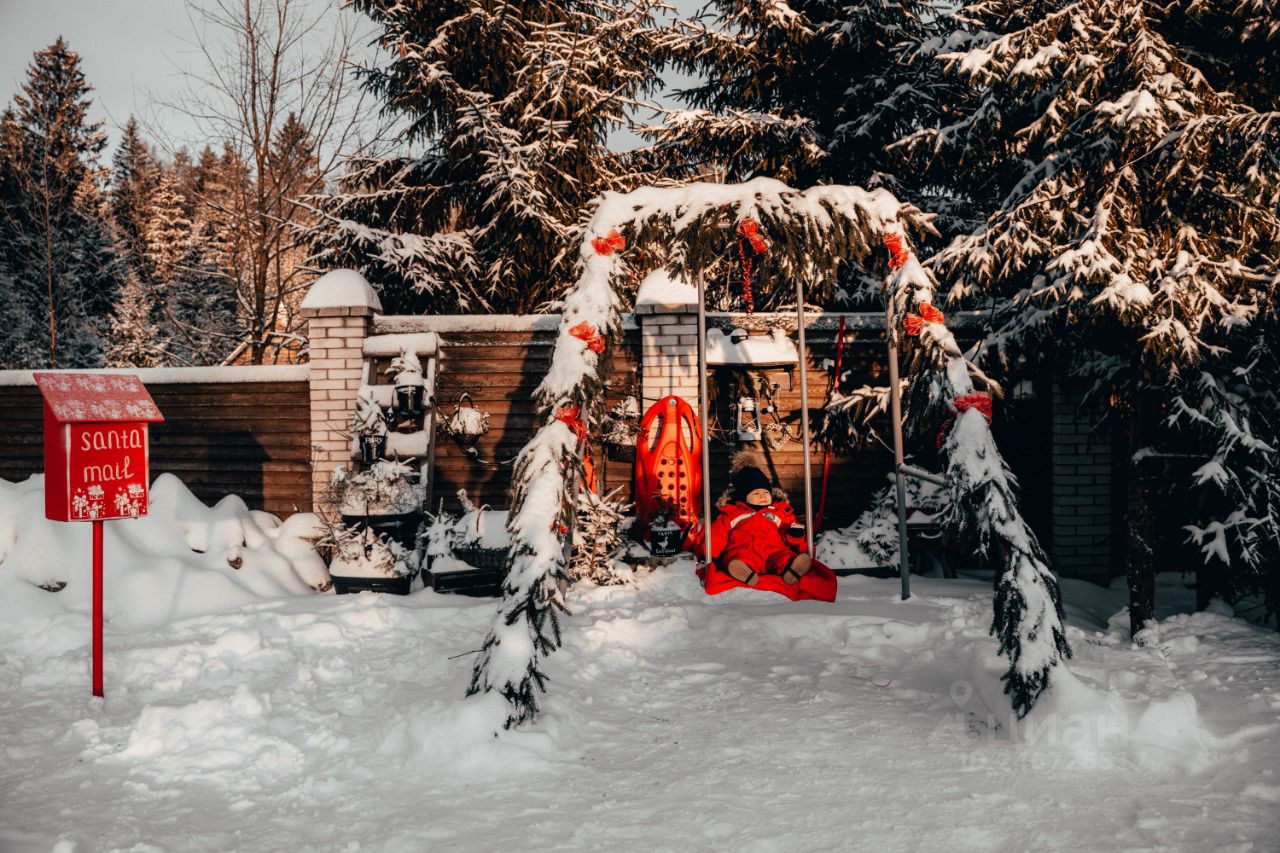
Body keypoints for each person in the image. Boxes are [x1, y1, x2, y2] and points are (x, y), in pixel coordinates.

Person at [708, 466, 812, 587]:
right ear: (743, 496)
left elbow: (788, 531)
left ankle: (790, 569)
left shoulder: (779, 513)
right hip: (744, 550)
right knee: (738, 558)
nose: (762, 496)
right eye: (756, 493)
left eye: (766, 492)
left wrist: (794, 534)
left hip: (774, 550)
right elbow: (717, 535)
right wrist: (709, 554)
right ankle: (744, 571)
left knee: (784, 557)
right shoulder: (732, 514)